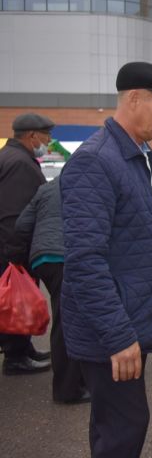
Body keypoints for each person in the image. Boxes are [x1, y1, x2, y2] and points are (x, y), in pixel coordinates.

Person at [60, 61, 152, 458]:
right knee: (125, 427)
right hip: (108, 331)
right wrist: (118, 337)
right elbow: (85, 262)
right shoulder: (96, 161)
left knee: (116, 424)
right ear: (134, 99)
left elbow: (147, 245)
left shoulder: (141, 157)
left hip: (130, 319)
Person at [15, 179, 88, 402]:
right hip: (66, 256)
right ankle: (68, 390)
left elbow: (21, 226)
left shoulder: (46, 188)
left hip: (42, 259)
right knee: (68, 323)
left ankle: (73, 383)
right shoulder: (84, 184)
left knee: (64, 318)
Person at [0, 112, 54, 375]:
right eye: (47, 135)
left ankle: (23, 348)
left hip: (9, 247)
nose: (49, 141)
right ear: (32, 136)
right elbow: (14, 215)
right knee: (17, 299)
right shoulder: (20, 163)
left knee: (17, 300)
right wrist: (17, 255)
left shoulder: (12, 157)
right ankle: (16, 356)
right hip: (12, 249)